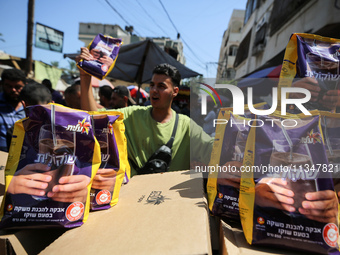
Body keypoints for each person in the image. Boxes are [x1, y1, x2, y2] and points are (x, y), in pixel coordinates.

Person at [77, 47, 214, 176]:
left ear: (175, 92)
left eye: (161, 86)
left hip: (171, 200)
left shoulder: (186, 126)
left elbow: (212, 150)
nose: (154, 90)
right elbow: (93, 118)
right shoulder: (132, 115)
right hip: (132, 195)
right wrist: (85, 76)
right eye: (152, 85)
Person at [0, 69, 26, 152]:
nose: (13, 90)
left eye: (18, 87)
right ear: (2, 85)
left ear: (25, 85)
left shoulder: (30, 106)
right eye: (9, 86)